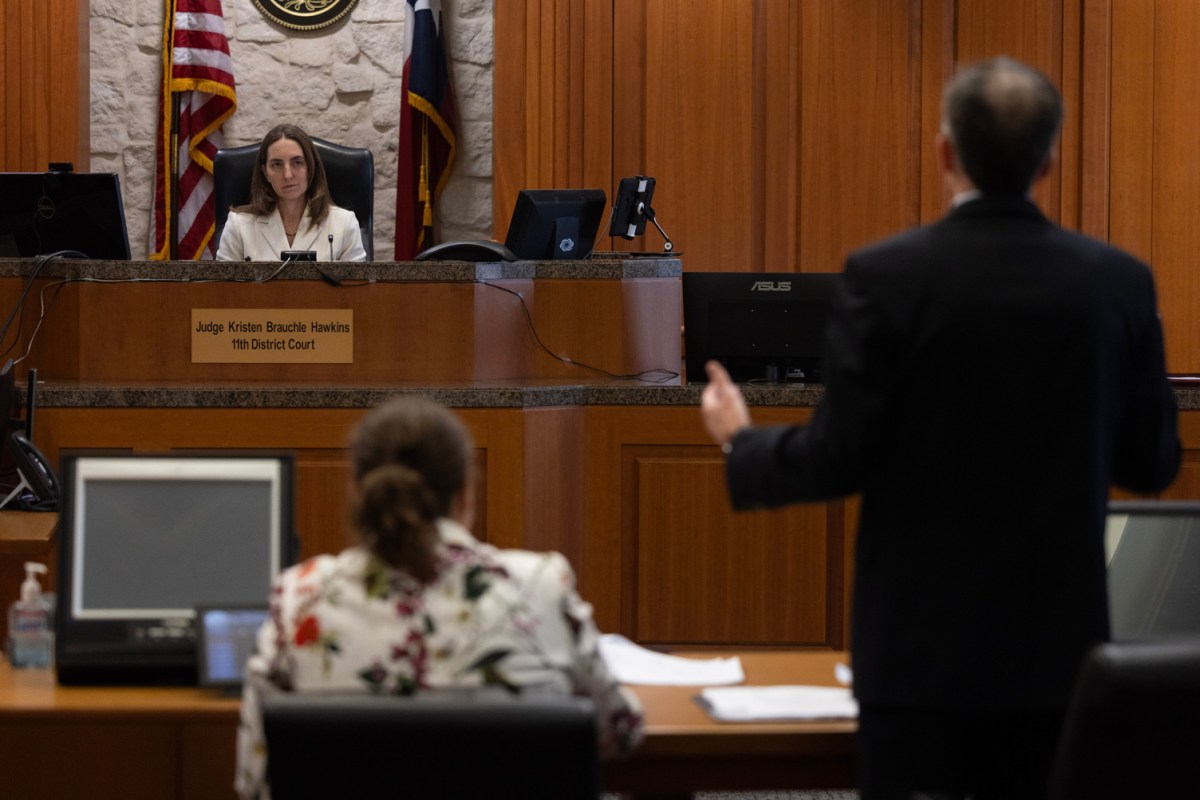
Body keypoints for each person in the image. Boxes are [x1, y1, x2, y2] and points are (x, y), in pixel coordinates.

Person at [700, 56, 1179, 800]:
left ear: (944, 153)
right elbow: (1152, 463)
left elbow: (838, 455)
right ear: (1050, 159)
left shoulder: (886, 277)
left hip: (917, 664)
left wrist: (741, 438)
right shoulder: (1118, 282)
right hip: (1059, 662)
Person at [235, 396, 643, 798]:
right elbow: (619, 732)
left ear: (356, 492)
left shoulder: (299, 598)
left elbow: (256, 780)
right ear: (467, 490)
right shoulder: (540, 584)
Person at [215, 123, 367, 262]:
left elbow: (356, 290)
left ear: (310, 167)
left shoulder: (344, 224)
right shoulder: (239, 225)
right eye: (277, 165)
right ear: (265, 172)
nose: (288, 175)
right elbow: (221, 289)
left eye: (297, 163)